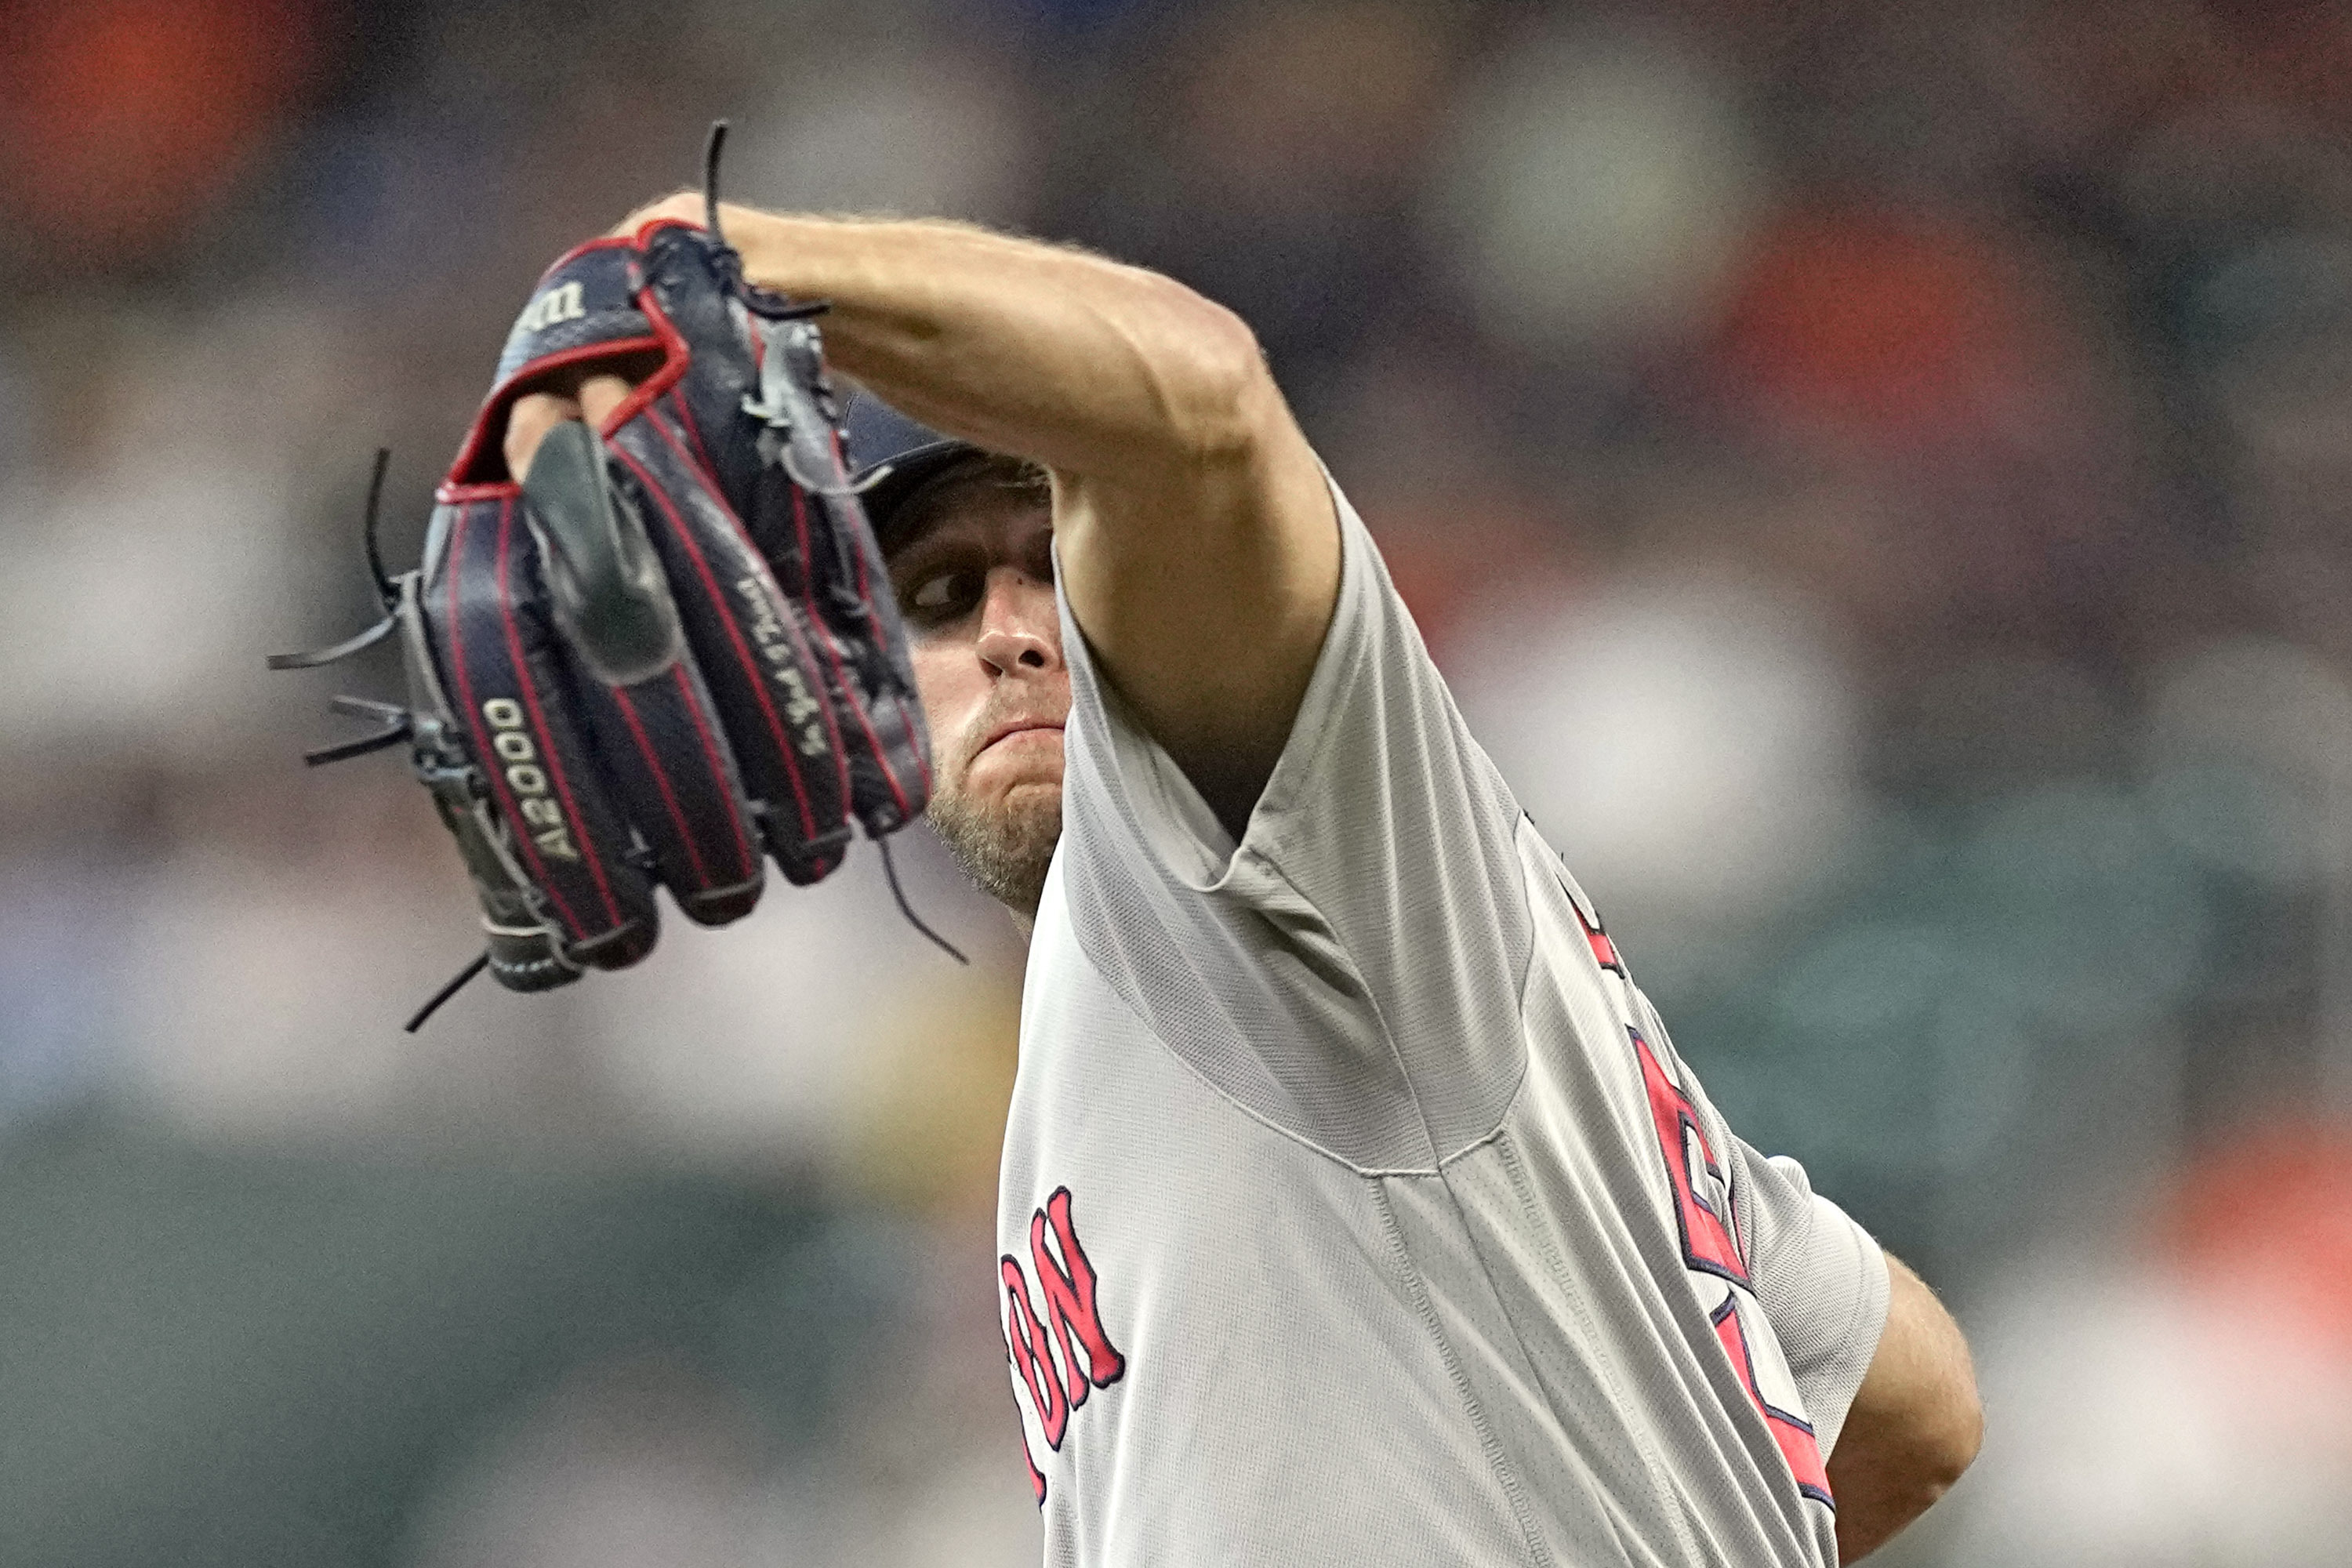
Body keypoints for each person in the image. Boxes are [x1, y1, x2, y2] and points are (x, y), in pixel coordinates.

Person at [503, 198, 1982, 1566]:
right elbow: (1906, 1403)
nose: (1014, 632)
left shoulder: (1261, 833)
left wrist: (709, 262)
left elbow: (1198, 401)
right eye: (942, 598)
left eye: (1061, 566)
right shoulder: (1336, 999)